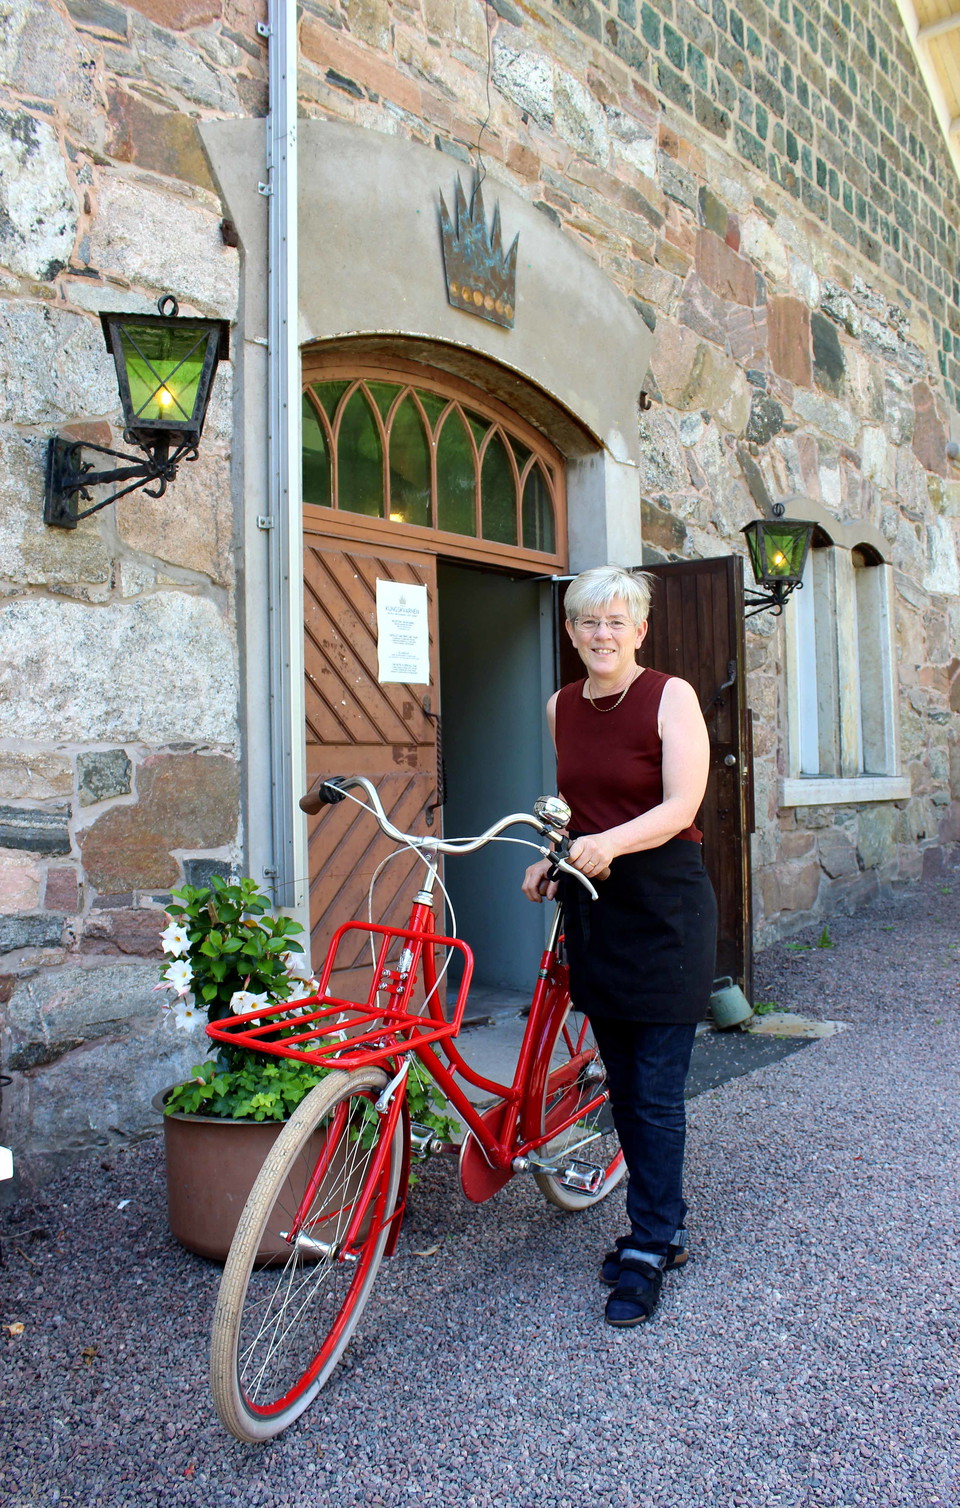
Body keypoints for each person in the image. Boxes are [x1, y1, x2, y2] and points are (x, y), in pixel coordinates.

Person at [522, 564, 717, 1328]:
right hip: (595, 909)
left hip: (665, 909)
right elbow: (577, 809)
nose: (602, 634)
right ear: (571, 632)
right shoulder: (561, 706)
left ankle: (651, 1241)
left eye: (616, 621)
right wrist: (552, 857)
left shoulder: (670, 697)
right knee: (625, 1082)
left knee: (656, 1091)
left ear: (639, 629)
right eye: (588, 621)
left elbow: (681, 804)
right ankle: (661, 1222)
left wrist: (607, 843)